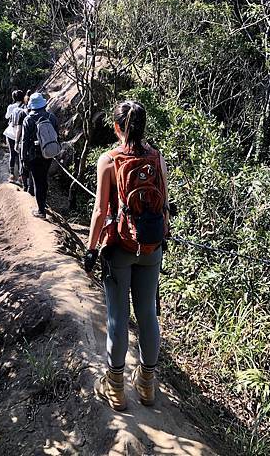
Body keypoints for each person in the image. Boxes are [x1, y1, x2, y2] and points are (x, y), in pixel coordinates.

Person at [84, 100, 169, 411]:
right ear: (142, 127)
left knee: (118, 317)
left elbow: (99, 211)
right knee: (147, 313)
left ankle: (116, 386)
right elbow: (165, 205)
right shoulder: (156, 158)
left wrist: (91, 250)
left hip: (120, 248)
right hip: (151, 247)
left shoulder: (109, 160)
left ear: (117, 127)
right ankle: (147, 384)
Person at [21, 92, 59, 219]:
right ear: (43, 104)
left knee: (38, 181)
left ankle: (41, 211)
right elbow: (56, 135)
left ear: (31, 106)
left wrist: (23, 159)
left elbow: (24, 142)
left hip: (34, 156)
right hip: (47, 154)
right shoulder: (51, 117)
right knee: (43, 179)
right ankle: (43, 203)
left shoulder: (28, 119)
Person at [3, 89, 25, 184]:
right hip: (21, 134)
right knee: (21, 155)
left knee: (12, 154)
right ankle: (21, 177)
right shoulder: (25, 107)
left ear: (13, 98)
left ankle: (12, 176)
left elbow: (7, 117)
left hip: (10, 133)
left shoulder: (11, 107)